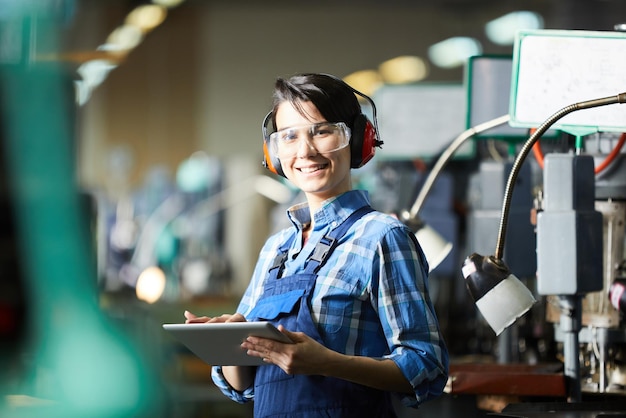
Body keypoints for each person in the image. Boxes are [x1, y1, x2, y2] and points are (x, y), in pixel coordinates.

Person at [184, 73, 448, 417]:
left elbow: (426, 365)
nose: (305, 151)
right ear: (274, 152)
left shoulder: (383, 237)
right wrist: (229, 345)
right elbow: (243, 387)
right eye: (289, 136)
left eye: (322, 131)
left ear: (357, 141)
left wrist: (328, 363)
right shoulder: (276, 249)